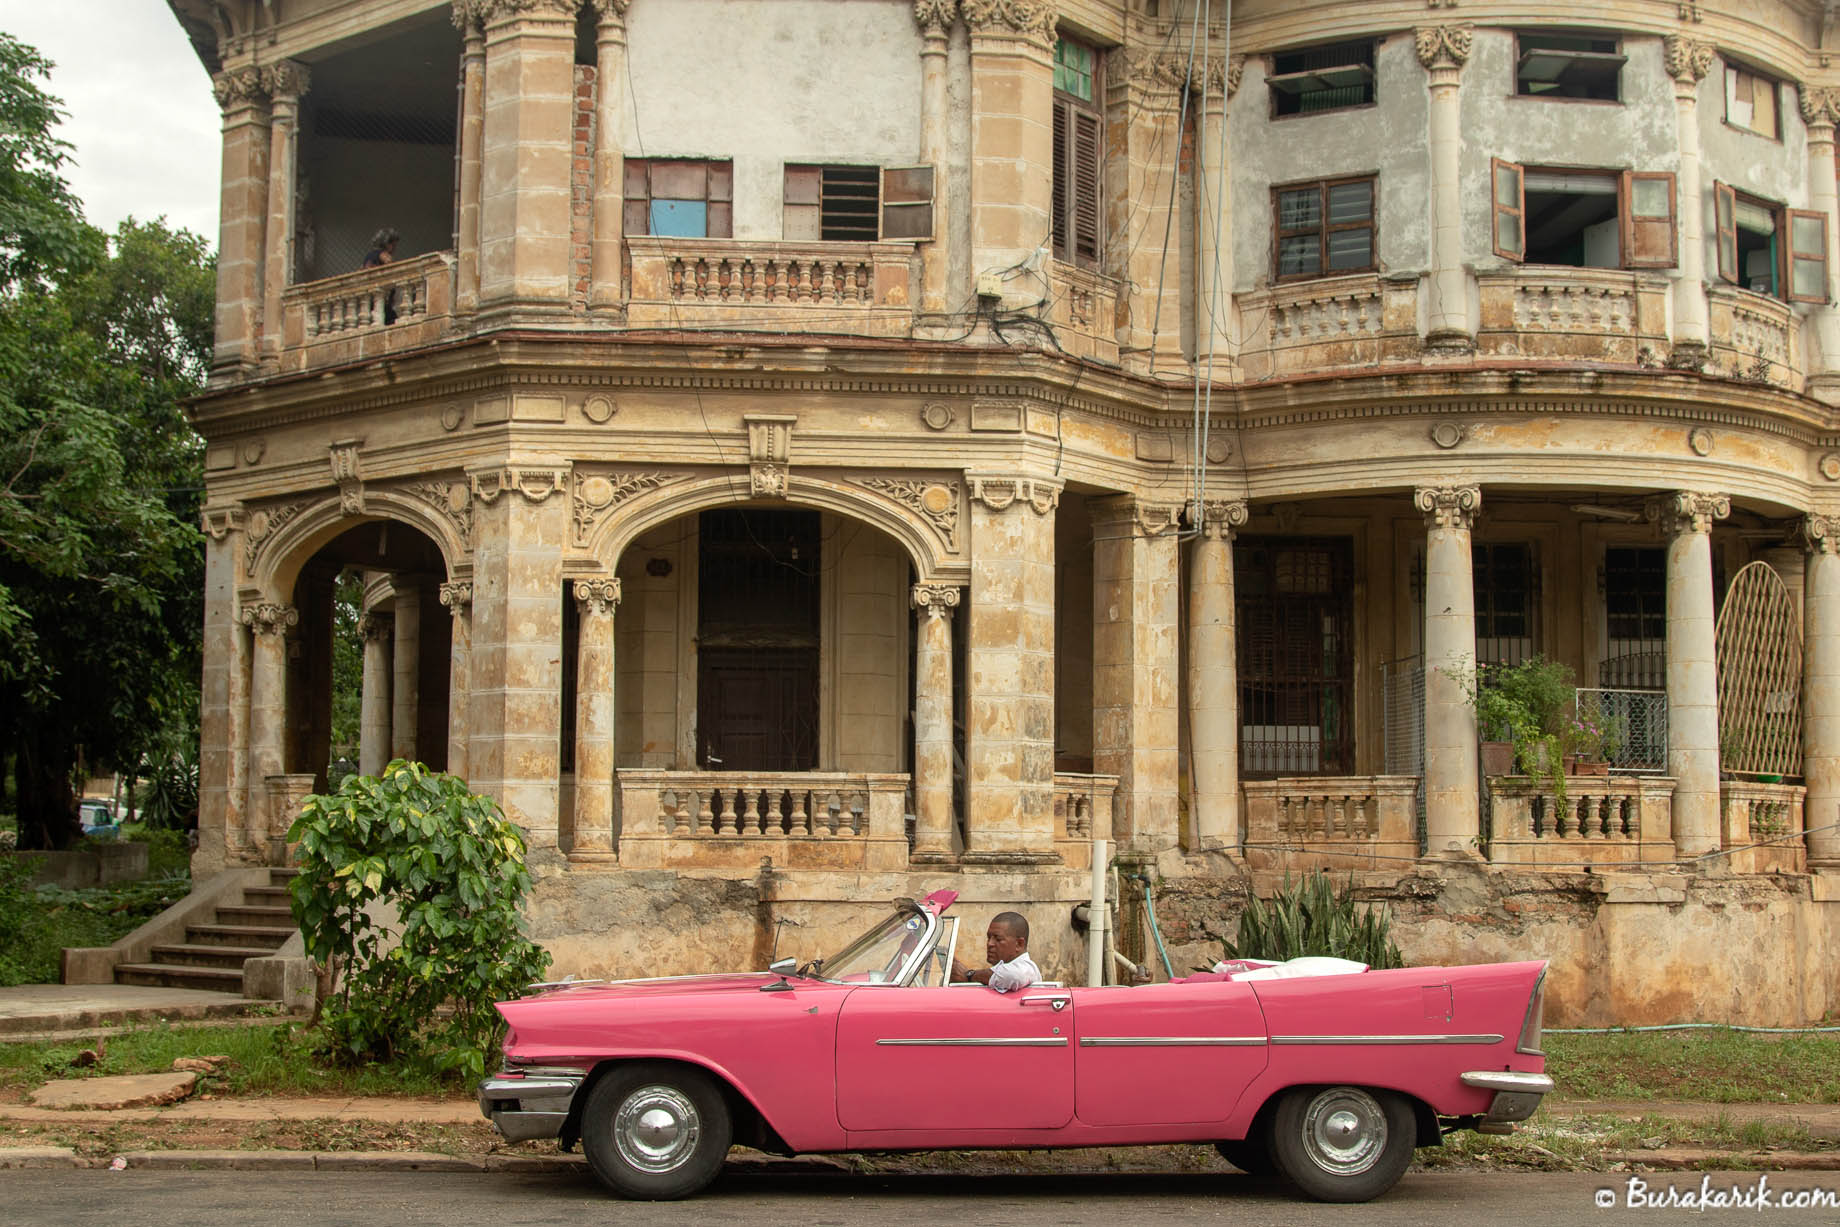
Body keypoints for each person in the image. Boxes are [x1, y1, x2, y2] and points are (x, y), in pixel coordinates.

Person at [951, 911, 1041, 992]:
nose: (990, 944)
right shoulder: (1002, 969)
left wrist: (969, 975)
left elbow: (1013, 976)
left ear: (1019, 944)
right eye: (989, 938)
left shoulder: (1027, 968)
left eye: (998, 939)